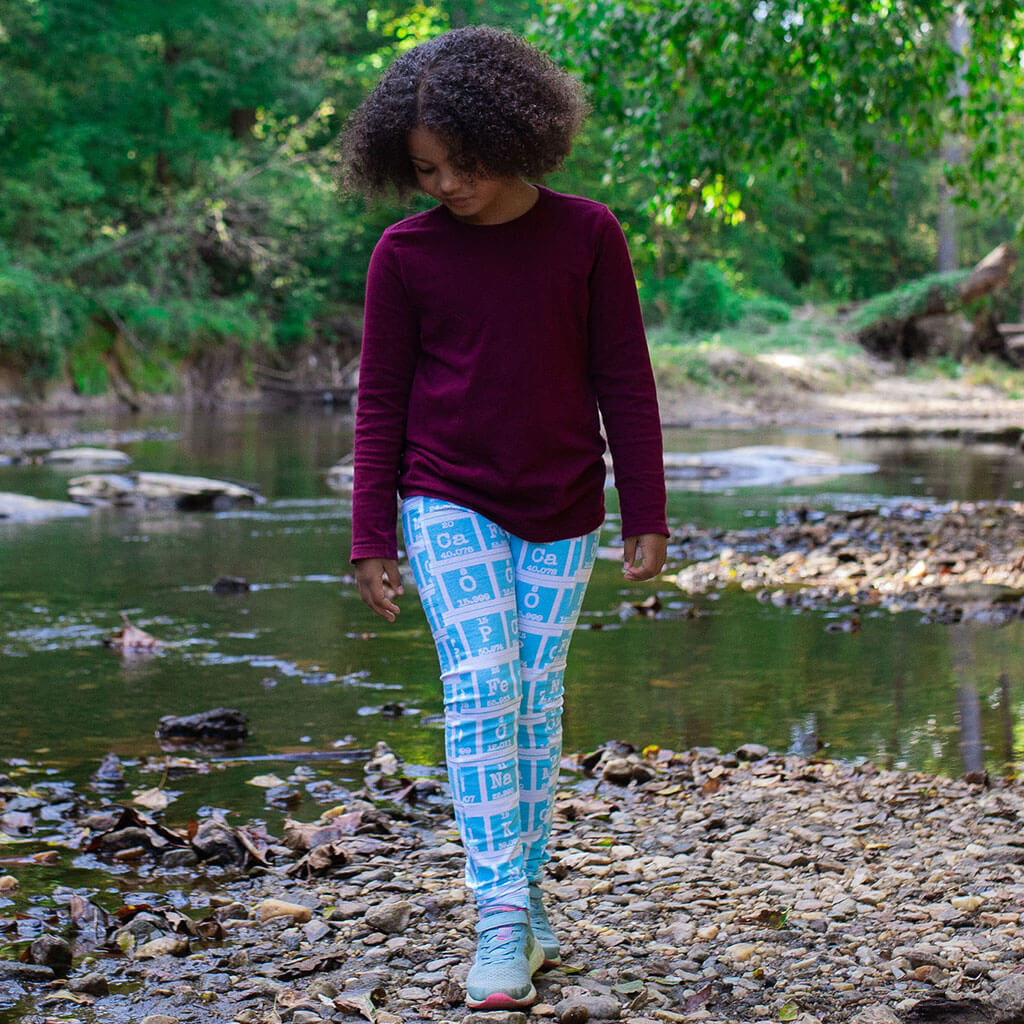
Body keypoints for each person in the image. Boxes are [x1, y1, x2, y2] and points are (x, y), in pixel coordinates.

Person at [341, 25, 668, 1011]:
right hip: (444, 495)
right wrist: (370, 532)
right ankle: (496, 918)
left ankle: (524, 899)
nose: (444, 185)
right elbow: (380, 400)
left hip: (563, 503)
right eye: (425, 170)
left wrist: (643, 507)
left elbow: (624, 376)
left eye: (462, 165)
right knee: (482, 686)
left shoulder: (588, 235)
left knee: (532, 699)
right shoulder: (403, 256)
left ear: (514, 135)